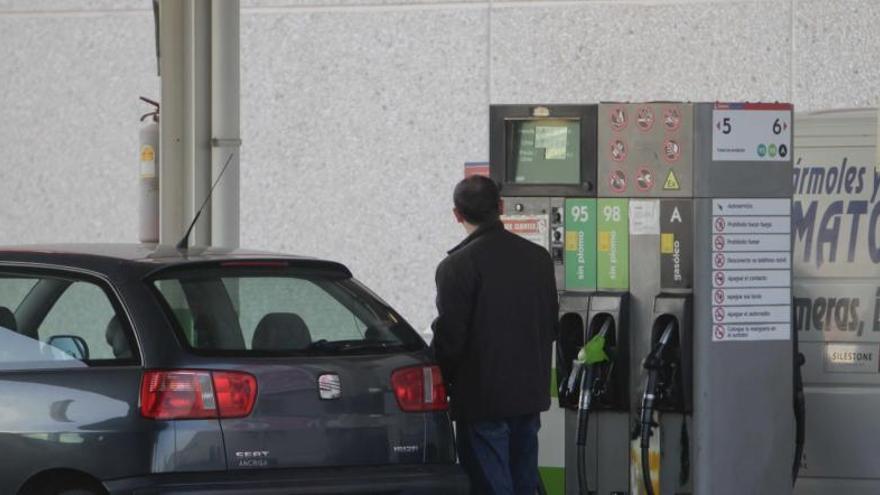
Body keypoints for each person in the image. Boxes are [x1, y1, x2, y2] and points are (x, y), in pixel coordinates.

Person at [431, 175, 558, 495]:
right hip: (529, 396)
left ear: (457, 215)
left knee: (491, 485)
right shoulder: (538, 259)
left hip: (482, 400)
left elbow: (451, 337)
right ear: (500, 207)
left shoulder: (457, 267)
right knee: (525, 482)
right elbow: (550, 324)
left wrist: (438, 380)